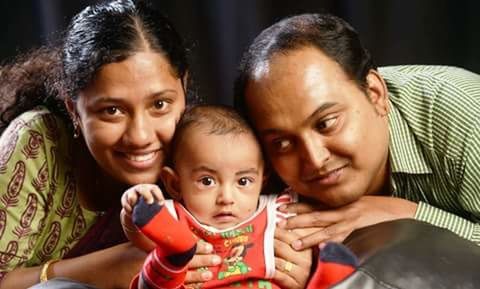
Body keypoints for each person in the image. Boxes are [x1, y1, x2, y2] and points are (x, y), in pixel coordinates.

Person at [0, 1, 219, 288]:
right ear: (74, 110)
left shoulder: (200, 147)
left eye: (160, 104)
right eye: (112, 111)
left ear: (184, 89)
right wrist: (105, 267)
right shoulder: (37, 141)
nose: (140, 136)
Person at [234, 13, 480, 252]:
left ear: (375, 93)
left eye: (326, 124)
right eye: (283, 143)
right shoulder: (256, 167)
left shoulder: (465, 113)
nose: (315, 159)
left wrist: (408, 215)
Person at [120, 105, 358, 289]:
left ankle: (327, 281)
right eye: (207, 181)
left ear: (262, 179)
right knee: (157, 274)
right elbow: (142, 236)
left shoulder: (278, 210)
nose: (226, 197)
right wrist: (135, 206)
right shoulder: (177, 218)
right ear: (174, 183)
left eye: (243, 182)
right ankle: (176, 252)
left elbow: (317, 221)